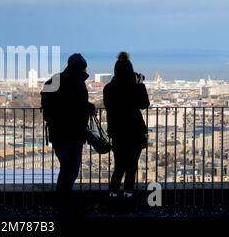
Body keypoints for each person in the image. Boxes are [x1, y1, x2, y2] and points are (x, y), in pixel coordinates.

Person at [42, 53, 96, 214]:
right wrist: (89, 107)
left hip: (57, 132)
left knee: (66, 167)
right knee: (71, 168)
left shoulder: (55, 79)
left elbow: (47, 104)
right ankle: (62, 202)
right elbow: (77, 106)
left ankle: (61, 202)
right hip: (74, 132)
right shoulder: (78, 82)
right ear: (82, 67)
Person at [103, 52, 150, 206]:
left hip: (117, 132)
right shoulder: (134, 87)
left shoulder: (108, 88)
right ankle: (128, 198)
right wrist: (140, 84)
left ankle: (112, 196)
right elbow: (144, 104)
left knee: (119, 166)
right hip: (135, 131)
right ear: (131, 70)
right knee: (131, 167)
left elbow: (108, 106)